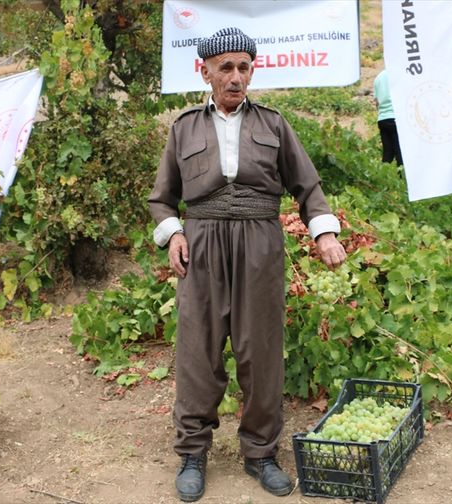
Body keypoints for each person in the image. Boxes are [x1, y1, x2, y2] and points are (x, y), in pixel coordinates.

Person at [147, 27, 347, 502]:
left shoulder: (274, 125)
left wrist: (325, 232)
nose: (236, 77)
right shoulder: (184, 128)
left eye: (243, 67)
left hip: (259, 242)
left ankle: (260, 453)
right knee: (199, 351)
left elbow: (307, 187)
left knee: (260, 351)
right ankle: (193, 452)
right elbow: (161, 199)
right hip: (202, 244)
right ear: (206, 71)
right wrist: (173, 232)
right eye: (226, 68)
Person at [373, 69, 403, 166]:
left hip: (382, 119)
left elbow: (376, 102)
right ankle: (402, 178)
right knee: (400, 152)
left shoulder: (378, 78)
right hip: (396, 118)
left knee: (388, 154)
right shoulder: (398, 74)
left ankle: (382, 177)